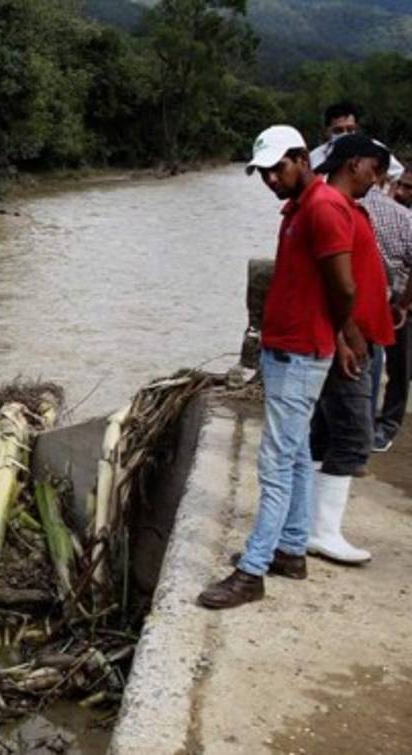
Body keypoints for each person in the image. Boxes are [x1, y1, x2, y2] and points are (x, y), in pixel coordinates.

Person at [198, 125, 357, 610]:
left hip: (301, 353)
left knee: (274, 462)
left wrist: (342, 336)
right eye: (264, 172)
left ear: (302, 158)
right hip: (290, 349)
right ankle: (290, 549)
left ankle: (252, 571)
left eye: (278, 168)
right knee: (295, 454)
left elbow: (343, 286)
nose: (271, 179)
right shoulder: (298, 208)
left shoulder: (323, 208)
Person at [304, 134, 395, 565]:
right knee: (355, 435)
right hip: (349, 340)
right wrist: (345, 337)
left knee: (326, 432)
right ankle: (322, 530)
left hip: (357, 336)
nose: (376, 181)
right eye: (374, 170)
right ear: (354, 164)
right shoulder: (332, 207)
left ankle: (310, 524)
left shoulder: (344, 206)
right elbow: (329, 284)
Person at [362, 161, 412, 453]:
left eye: (409, 188)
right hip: (389, 295)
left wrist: (404, 303)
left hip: (404, 300)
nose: (402, 192)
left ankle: (389, 425)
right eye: (400, 185)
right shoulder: (394, 214)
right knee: (379, 360)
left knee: (400, 366)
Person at [310, 102, 404, 182]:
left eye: (350, 129)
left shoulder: (374, 148)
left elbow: (398, 174)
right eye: (338, 130)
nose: (345, 134)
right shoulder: (315, 156)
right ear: (327, 131)